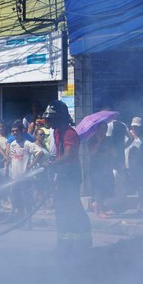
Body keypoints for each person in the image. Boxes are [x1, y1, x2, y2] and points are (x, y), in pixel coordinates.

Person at [45, 100, 92, 251]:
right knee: (61, 207)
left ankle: (81, 241)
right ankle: (64, 242)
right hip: (63, 174)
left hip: (71, 175)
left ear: (60, 117)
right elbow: (59, 154)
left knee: (71, 206)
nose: (49, 121)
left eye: (52, 118)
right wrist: (53, 161)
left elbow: (68, 155)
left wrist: (54, 164)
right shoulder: (57, 131)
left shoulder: (70, 133)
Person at [8, 120, 43, 227]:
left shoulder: (28, 144)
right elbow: (11, 159)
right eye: (12, 131)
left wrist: (31, 165)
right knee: (17, 202)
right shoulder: (12, 144)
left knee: (26, 202)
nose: (14, 133)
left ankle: (28, 223)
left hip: (25, 180)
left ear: (22, 131)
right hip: (14, 179)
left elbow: (40, 153)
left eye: (16, 131)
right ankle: (20, 222)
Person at [124, 116, 143, 215]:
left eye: (138, 127)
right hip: (127, 164)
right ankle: (121, 206)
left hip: (139, 165)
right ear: (131, 126)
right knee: (126, 184)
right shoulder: (126, 136)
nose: (136, 129)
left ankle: (139, 207)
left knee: (140, 186)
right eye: (134, 127)